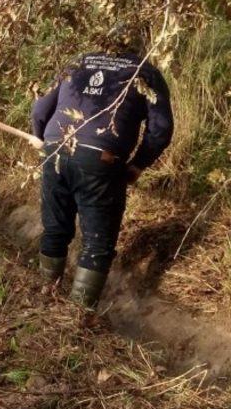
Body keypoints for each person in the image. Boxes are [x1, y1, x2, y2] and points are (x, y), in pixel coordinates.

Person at [31, 24, 174, 309]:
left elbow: (39, 109)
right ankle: (75, 316)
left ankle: (45, 300)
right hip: (101, 159)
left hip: (55, 149)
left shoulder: (76, 63)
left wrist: (38, 136)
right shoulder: (144, 71)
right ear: (139, 45)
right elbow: (161, 128)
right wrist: (138, 164)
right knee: (97, 243)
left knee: (55, 229)